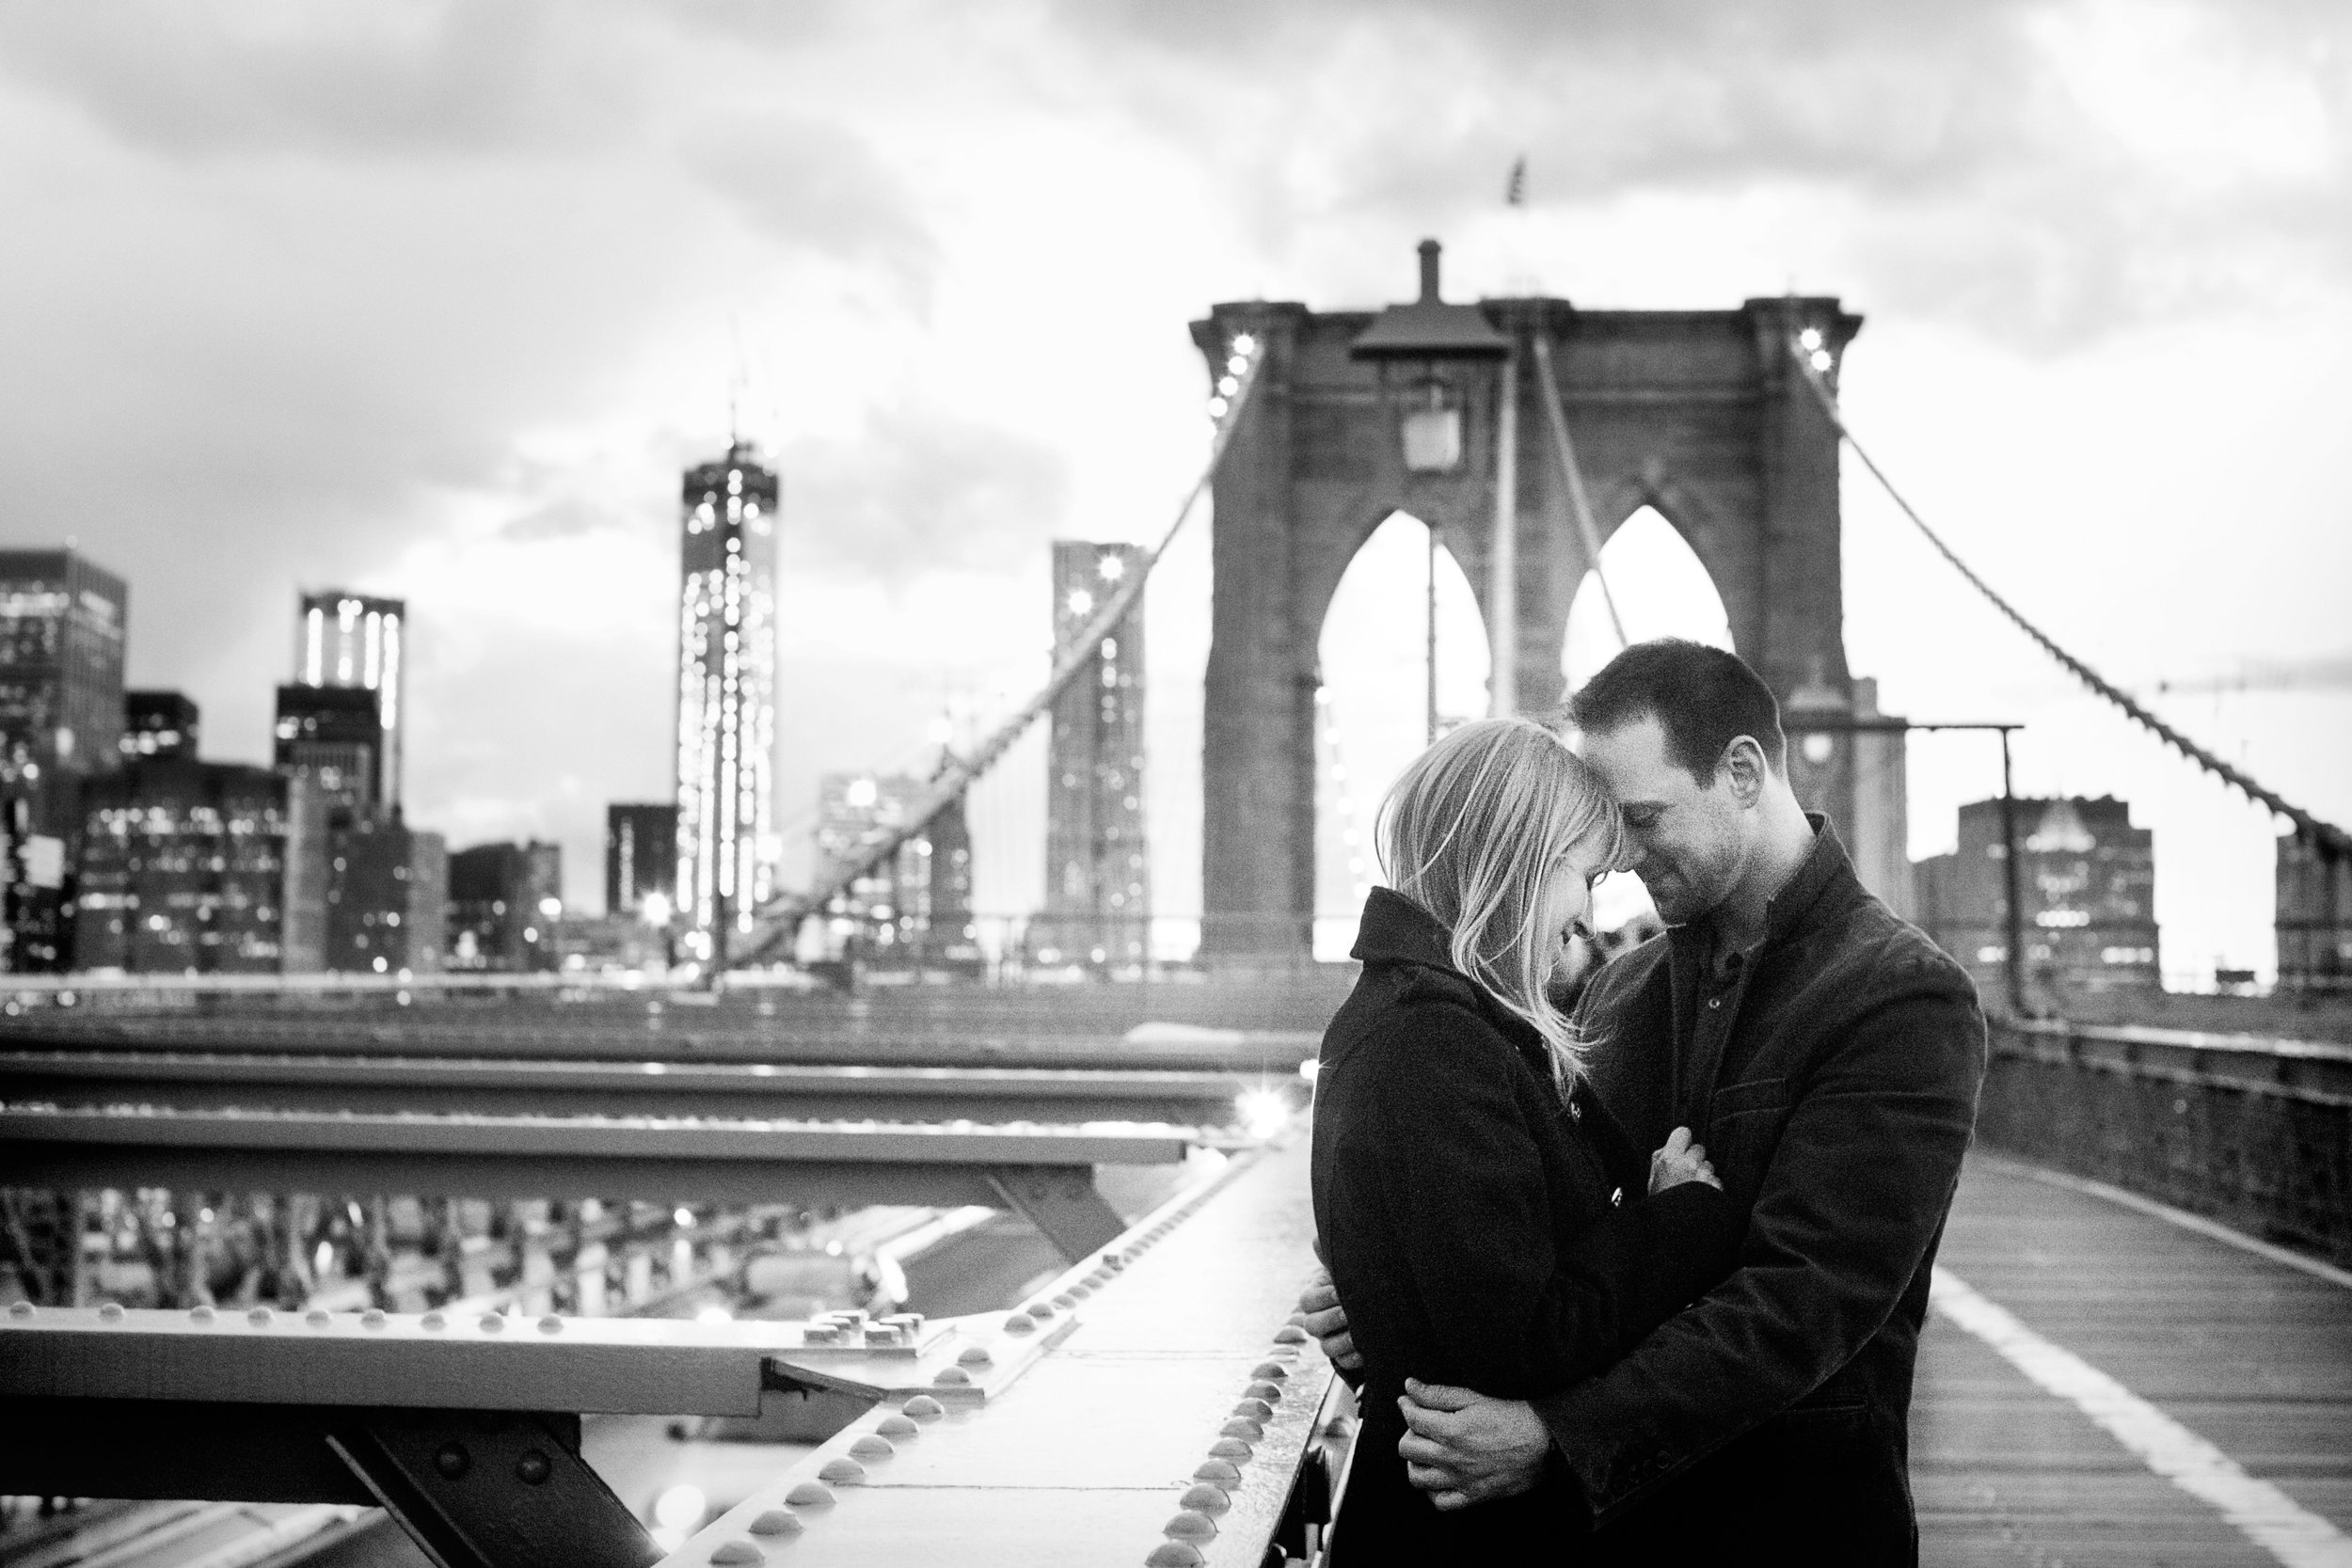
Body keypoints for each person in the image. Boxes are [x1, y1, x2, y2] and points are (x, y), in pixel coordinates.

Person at [1298, 641, 1987, 1564]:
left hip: (1786, 1528)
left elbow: (1804, 1298)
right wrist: (1406, 1290)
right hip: (1615, 1535)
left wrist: (1561, 1432)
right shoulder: (1614, 990)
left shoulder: (1899, 997)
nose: (1617, 859)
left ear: (1742, 771)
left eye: (1643, 816)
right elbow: (1545, 1237)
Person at [1310, 716, 1746, 1563]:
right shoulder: (1437, 1050)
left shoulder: (1419, 1025)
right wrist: (1678, 1217)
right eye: (1580, 876)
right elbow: (1523, 1338)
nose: (1586, 914)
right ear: (1516, 860)